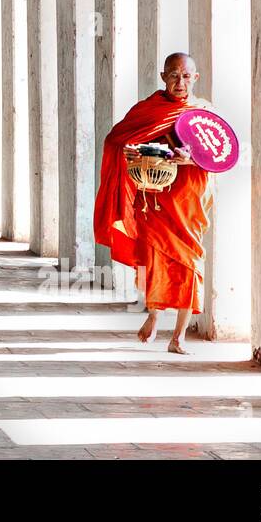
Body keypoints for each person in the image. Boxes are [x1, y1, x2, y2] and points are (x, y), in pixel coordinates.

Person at [93, 52, 211, 354]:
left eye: (186, 76)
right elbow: (118, 140)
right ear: (163, 77)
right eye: (173, 75)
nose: (180, 82)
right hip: (158, 196)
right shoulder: (149, 110)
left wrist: (191, 157)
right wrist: (134, 154)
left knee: (190, 262)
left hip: (190, 199)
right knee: (155, 257)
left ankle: (179, 336)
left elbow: (215, 155)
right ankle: (154, 316)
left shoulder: (203, 113)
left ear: (195, 78)